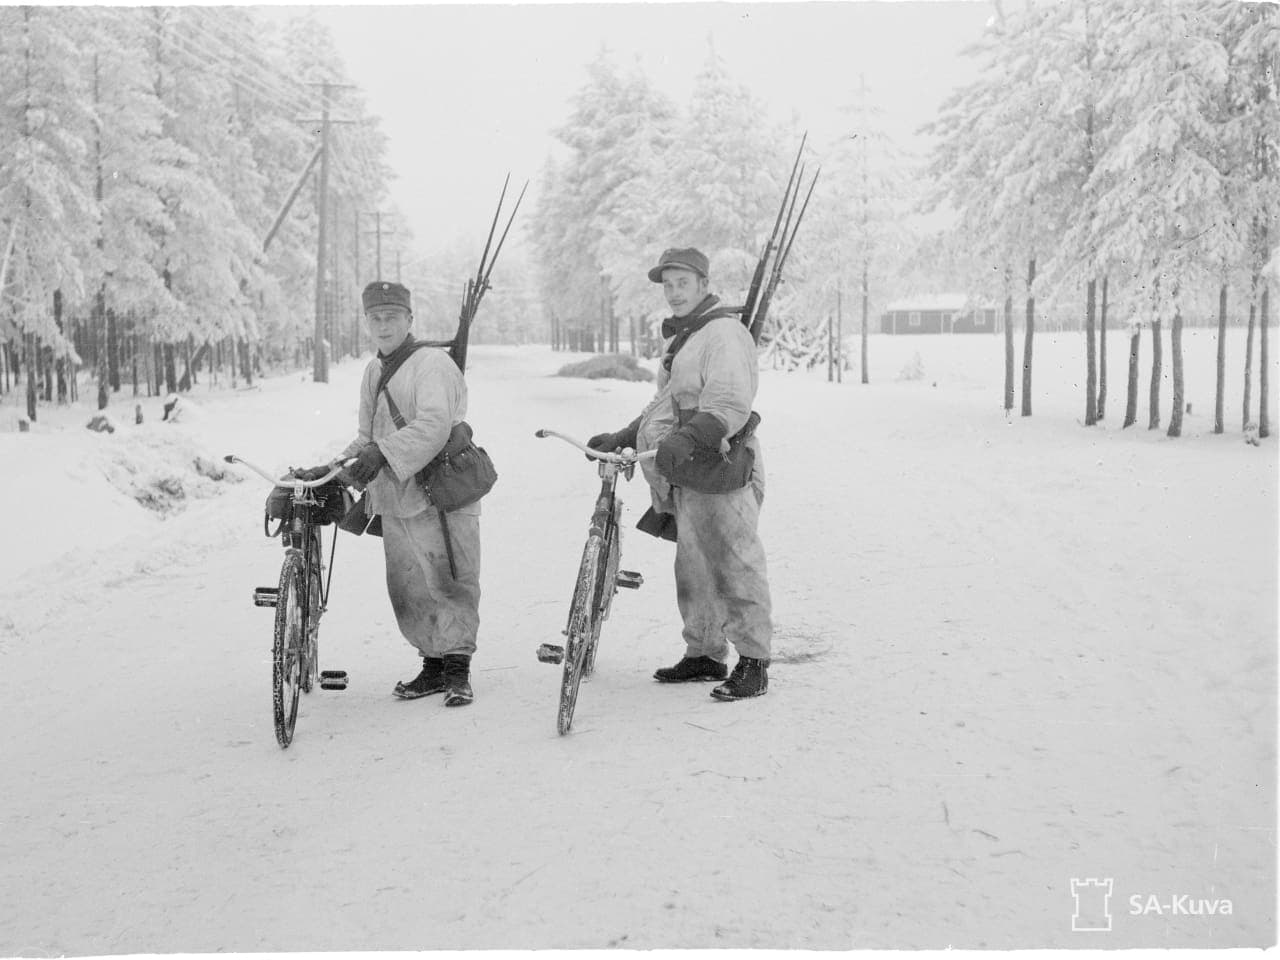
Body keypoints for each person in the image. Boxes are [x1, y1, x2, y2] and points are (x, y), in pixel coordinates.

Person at [588, 247, 773, 700]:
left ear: (704, 285)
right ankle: (705, 654)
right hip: (687, 466)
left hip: (721, 463)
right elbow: (667, 401)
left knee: (733, 562)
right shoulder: (686, 336)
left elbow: (729, 403)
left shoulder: (724, 333)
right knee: (693, 566)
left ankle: (753, 661)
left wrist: (687, 440)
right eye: (667, 285)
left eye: (682, 283)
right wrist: (629, 433)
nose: (673, 293)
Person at [297, 280, 481, 707]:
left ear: (409, 319)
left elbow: (434, 426)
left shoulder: (432, 364)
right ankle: (432, 665)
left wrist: (383, 452)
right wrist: (333, 469)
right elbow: (367, 436)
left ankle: (457, 669)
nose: (383, 325)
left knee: (450, 580)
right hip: (395, 493)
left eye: (392, 317)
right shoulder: (373, 370)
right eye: (375, 318)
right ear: (366, 322)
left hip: (441, 489)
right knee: (409, 585)